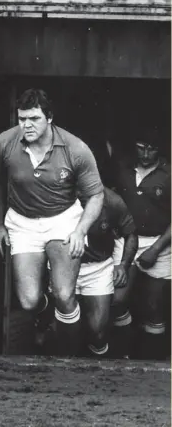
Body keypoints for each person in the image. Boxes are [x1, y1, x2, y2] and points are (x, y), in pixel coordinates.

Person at [0, 88, 104, 356]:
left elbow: (96, 195)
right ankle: (44, 315)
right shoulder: (5, 143)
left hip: (62, 220)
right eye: (22, 119)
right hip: (22, 221)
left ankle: (70, 356)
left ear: (49, 118)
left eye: (34, 119)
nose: (26, 125)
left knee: (64, 295)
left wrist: (80, 230)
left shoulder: (76, 148)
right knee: (28, 301)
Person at [114, 128, 171, 359]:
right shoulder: (123, 168)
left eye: (152, 148)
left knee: (154, 304)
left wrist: (156, 249)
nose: (146, 153)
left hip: (161, 243)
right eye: (141, 147)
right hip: (127, 239)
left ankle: (153, 362)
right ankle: (123, 353)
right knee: (117, 300)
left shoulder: (168, 173)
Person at [71, 187, 137, 357]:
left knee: (98, 331)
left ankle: (101, 374)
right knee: (65, 329)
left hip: (97, 267)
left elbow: (131, 234)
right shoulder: (54, 193)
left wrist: (122, 264)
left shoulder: (112, 200)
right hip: (64, 265)